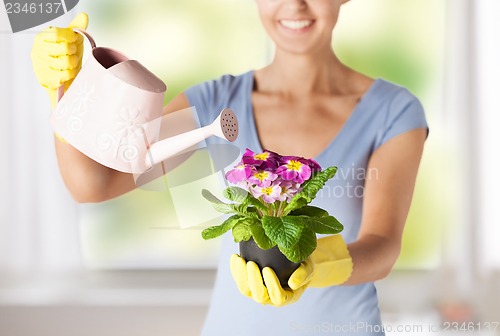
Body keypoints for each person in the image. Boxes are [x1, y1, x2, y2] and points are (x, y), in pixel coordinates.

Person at [31, 0, 428, 335]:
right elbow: (94, 185)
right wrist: (64, 91)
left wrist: (316, 263)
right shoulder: (215, 103)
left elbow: (383, 246)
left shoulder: (393, 111)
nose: (295, 5)